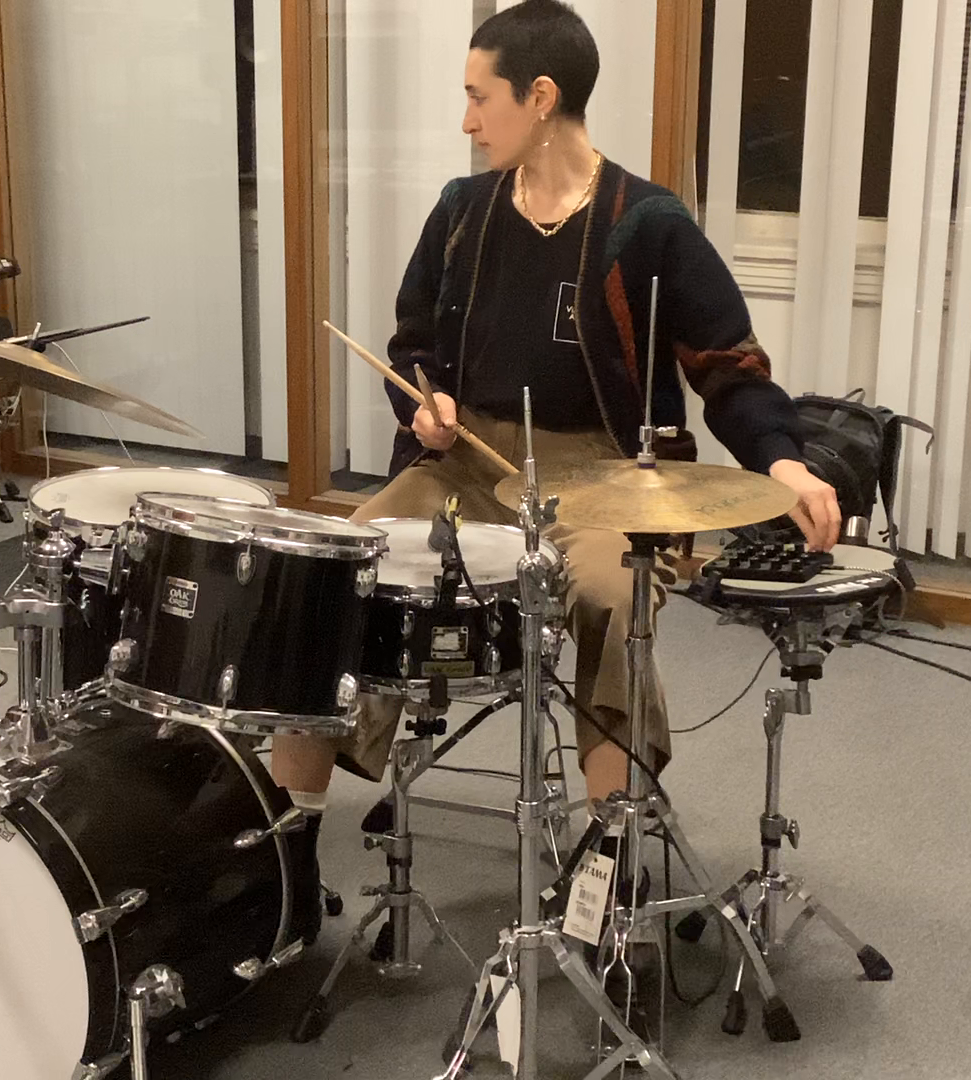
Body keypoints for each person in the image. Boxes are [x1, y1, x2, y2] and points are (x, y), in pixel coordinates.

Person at [272, 0, 840, 903]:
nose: (466, 121)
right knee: (335, 570)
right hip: (464, 466)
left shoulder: (647, 223)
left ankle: (608, 864)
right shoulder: (462, 212)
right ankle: (285, 863)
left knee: (614, 597)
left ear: (540, 97)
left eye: (478, 97)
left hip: (605, 473)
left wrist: (783, 459)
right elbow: (412, 345)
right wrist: (423, 400)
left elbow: (728, 365)